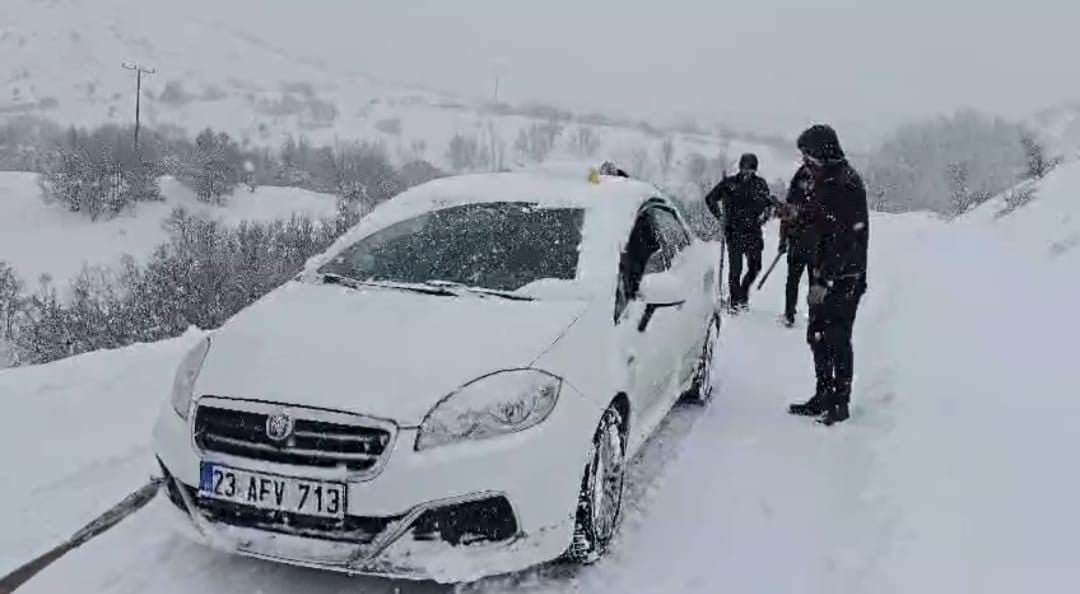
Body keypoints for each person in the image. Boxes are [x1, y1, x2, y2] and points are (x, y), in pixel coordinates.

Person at [784, 125, 869, 426]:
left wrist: (824, 281)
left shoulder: (843, 184)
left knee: (837, 338)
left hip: (844, 278)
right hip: (825, 272)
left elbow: (844, 240)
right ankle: (823, 394)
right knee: (817, 336)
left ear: (822, 152)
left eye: (808, 156)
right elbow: (819, 220)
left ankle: (839, 402)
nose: (805, 162)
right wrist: (796, 215)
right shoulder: (827, 180)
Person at [704, 153, 773, 313]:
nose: (748, 172)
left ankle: (743, 293)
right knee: (736, 269)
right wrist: (720, 217)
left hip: (753, 232)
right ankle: (735, 302)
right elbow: (710, 199)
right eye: (745, 168)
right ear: (741, 167)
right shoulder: (729, 183)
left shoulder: (760, 184)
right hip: (733, 231)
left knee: (755, 267)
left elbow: (767, 203)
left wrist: (766, 215)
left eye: (751, 169)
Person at [778, 164, 817, 327]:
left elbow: (786, 219)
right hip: (814, 244)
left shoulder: (795, 191)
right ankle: (814, 315)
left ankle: (790, 313)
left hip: (800, 243)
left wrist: (783, 240)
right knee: (813, 281)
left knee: (794, 280)